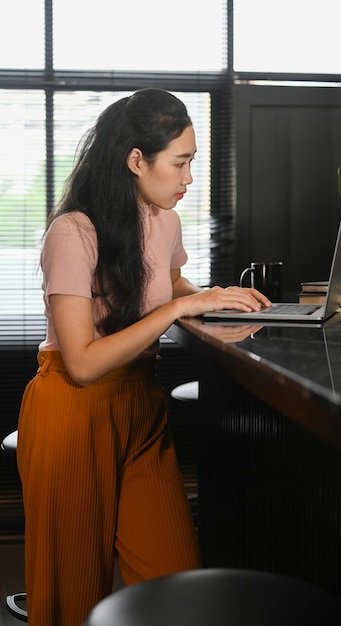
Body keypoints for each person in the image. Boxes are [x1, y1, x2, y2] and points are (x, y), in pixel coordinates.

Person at [16, 87, 271, 626]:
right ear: (136, 160)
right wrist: (182, 310)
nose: (188, 179)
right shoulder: (73, 232)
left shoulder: (165, 222)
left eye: (192, 164)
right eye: (180, 163)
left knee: (178, 589)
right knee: (72, 600)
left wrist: (216, 301)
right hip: (72, 411)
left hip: (140, 406)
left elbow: (171, 283)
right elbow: (82, 362)